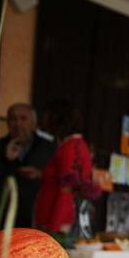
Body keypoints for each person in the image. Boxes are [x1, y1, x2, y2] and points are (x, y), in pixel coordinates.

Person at [0, 103, 56, 227]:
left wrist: (40, 174)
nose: (18, 124)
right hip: (3, 217)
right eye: (13, 119)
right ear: (7, 123)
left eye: (23, 119)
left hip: (36, 216)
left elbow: (59, 179)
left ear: (33, 123)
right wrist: (6, 160)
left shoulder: (48, 147)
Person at [34, 100, 93, 233]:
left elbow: (67, 191)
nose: (44, 122)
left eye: (46, 117)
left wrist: (53, 229)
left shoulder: (71, 147)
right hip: (57, 221)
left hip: (58, 225)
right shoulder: (73, 145)